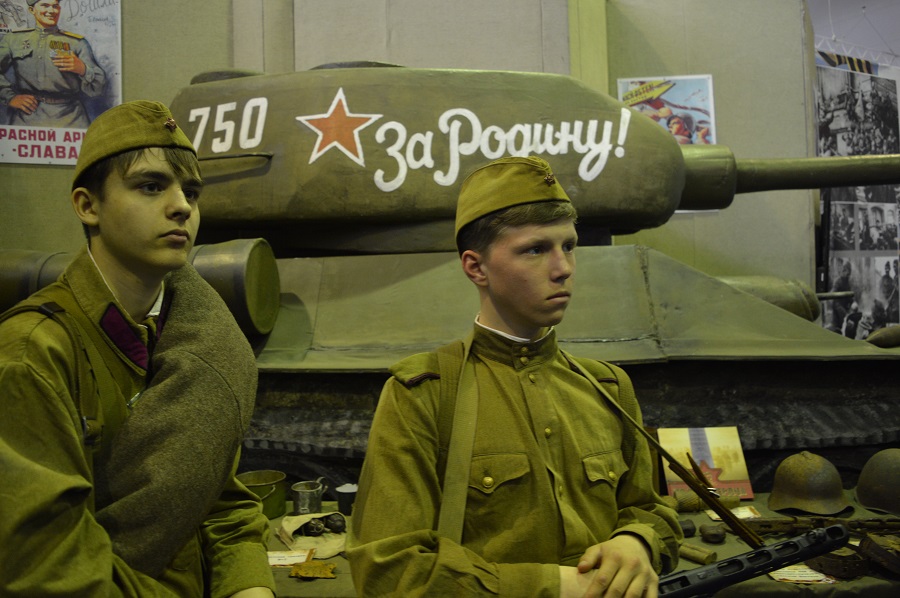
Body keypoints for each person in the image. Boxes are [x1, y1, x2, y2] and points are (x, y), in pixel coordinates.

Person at [347, 156, 682, 597]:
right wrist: (552, 586)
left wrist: (636, 541)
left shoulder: (607, 388)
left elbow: (650, 509)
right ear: (476, 267)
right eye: (535, 249)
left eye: (569, 246)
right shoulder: (424, 395)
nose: (563, 268)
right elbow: (389, 568)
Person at [0, 101, 275, 596]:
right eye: (151, 186)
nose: (182, 206)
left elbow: (218, 500)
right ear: (88, 206)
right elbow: (50, 569)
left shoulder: (191, 337)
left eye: (191, 192)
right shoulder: (33, 355)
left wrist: (250, 587)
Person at [0, 0, 106, 127]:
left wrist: (82, 69)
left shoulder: (77, 43)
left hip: (71, 117)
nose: (51, 11)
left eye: (55, 6)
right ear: (32, 10)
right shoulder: (14, 39)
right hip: (27, 116)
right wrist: (10, 97)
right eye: (45, 5)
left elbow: (98, 88)